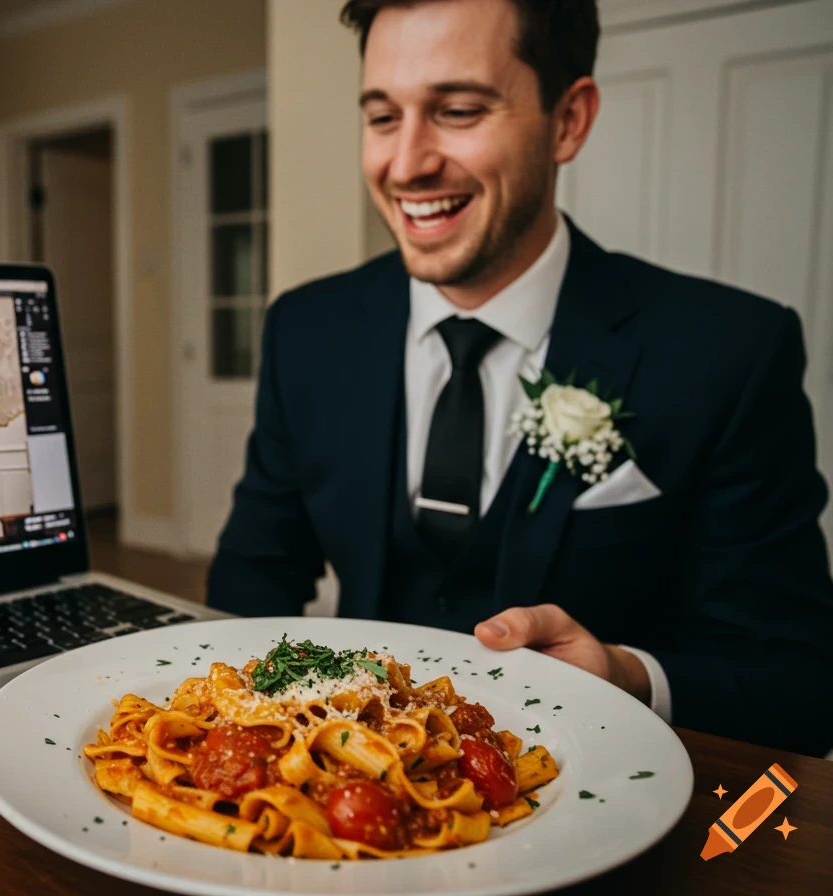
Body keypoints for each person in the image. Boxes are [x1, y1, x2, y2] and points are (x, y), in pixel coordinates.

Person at [206, 0, 833, 756]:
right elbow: (253, 576)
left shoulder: (730, 352)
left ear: (569, 120)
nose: (405, 164)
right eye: (381, 117)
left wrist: (630, 676)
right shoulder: (306, 329)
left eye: (459, 110)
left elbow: (797, 683)